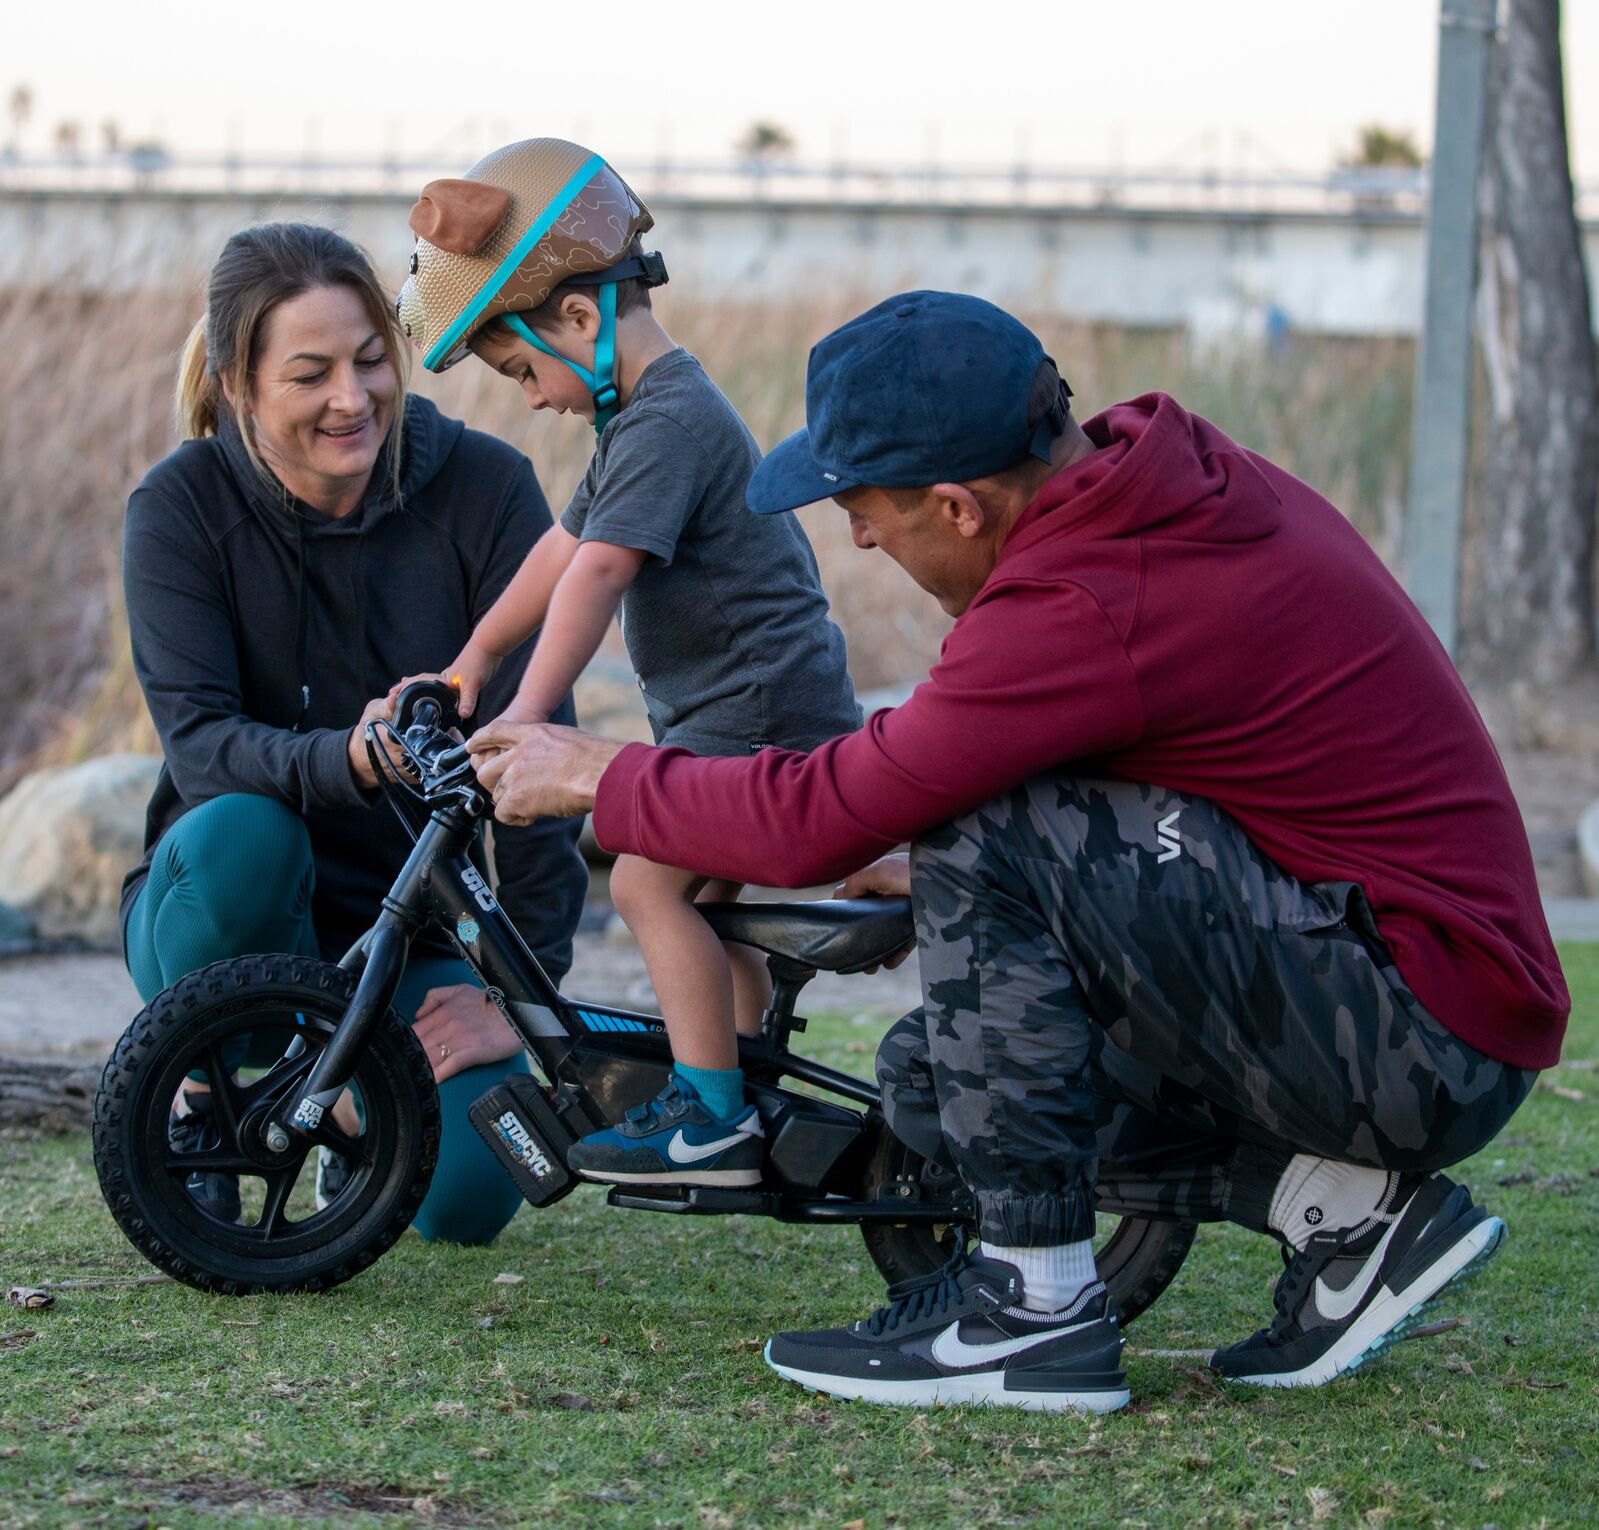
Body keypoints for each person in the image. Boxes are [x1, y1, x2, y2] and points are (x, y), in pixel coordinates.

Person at [468, 291, 1567, 1414]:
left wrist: (601, 774)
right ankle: (1346, 1210)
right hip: (1397, 986)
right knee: (933, 1087)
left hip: (1424, 1026)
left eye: (864, 510)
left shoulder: (1084, 594)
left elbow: (820, 816)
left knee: (983, 823)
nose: (852, 537)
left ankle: (1033, 1314)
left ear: (957, 505)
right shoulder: (1145, 481)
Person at [394, 138, 860, 1187]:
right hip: (739, 720)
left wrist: (538, 714)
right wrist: (474, 663)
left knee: (649, 880)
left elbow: (599, 575)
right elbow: (562, 549)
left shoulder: (671, 420)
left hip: (760, 723)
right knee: (691, 894)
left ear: (576, 319)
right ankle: (744, 1085)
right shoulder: (640, 422)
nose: (528, 396)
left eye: (519, 370)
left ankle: (710, 1115)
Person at [121, 221, 587, 1246]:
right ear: (242, 387)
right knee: (243, 835)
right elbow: (200, 746)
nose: (353, 398)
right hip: (229, 899)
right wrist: (351, 758)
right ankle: (206, 1099)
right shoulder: (178, 509)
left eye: (372, 360)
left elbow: (538, 752)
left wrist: (520, 999)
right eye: (311, 374)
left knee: (468, 1200)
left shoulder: (489, 488)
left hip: (409, 931)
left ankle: (338, 1104)